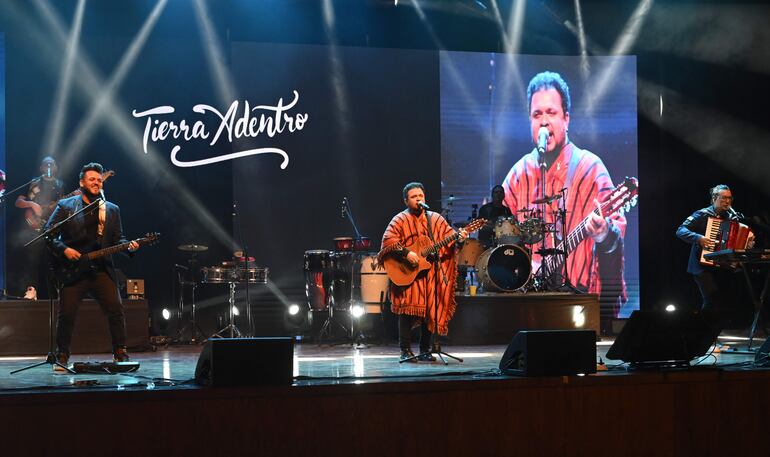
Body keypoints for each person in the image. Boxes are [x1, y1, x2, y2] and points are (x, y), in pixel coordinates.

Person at [501, 71, 627, 311]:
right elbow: (501, 230)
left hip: (583, 301)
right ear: (530, 120)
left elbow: (616, 234)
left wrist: (603, 234)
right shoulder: (518, 174)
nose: (544, 121)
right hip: (529, 300)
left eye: (551, 112)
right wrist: (524, 264)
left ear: (566, 119)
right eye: (537, 114)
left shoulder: (590, 168)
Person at [44, 162, 139, 369]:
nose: (96, 182)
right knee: (66, 314)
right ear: (82, 183)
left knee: (116, 309)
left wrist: (128, 247)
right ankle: (62, 355)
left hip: (101, 270)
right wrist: (64, 250)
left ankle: (120, 352)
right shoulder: (66, 206)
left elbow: (118, 239)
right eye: (92, 179)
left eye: (99, 180)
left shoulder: (112, 209)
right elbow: (48, 234)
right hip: (73, 270)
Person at [379, 182, 467, 362]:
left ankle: (425, 350)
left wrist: (459, 239)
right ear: (406, 201)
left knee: (429, 309)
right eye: (413, 196)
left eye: (421, 195)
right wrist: (406, 253)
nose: (418, 199)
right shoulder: (399, 220)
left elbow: (449, 241)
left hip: (429, 274)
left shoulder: (435, 219)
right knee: (407, 310)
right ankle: (405, 350)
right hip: (406, 273)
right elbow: (388, 242)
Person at [676, 185, 747, 312]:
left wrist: (746, 243)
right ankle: (702, 329)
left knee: (722, 301)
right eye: (724, 198)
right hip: (701, 266)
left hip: (721, 265)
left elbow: (735, 240)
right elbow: (680, 230)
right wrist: (698, 238)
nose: (727, 201)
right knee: (711, 300)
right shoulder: (702, 214)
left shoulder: (731, 218)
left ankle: (713, 329)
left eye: (730, 198)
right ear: (714, 198)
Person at [14, 157, 66, 297]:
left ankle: (58, 290)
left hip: (53, 225)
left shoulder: (60, 185)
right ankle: (31, 289)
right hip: (33, 225)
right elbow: (18, 202)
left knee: (56, 256)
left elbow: (64, 205)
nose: (48, 166)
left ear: (55, 168)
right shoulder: (33, 182)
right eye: (45, 164)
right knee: (32, 257)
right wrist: (32, 204)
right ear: (41, 168)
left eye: (51, 164)